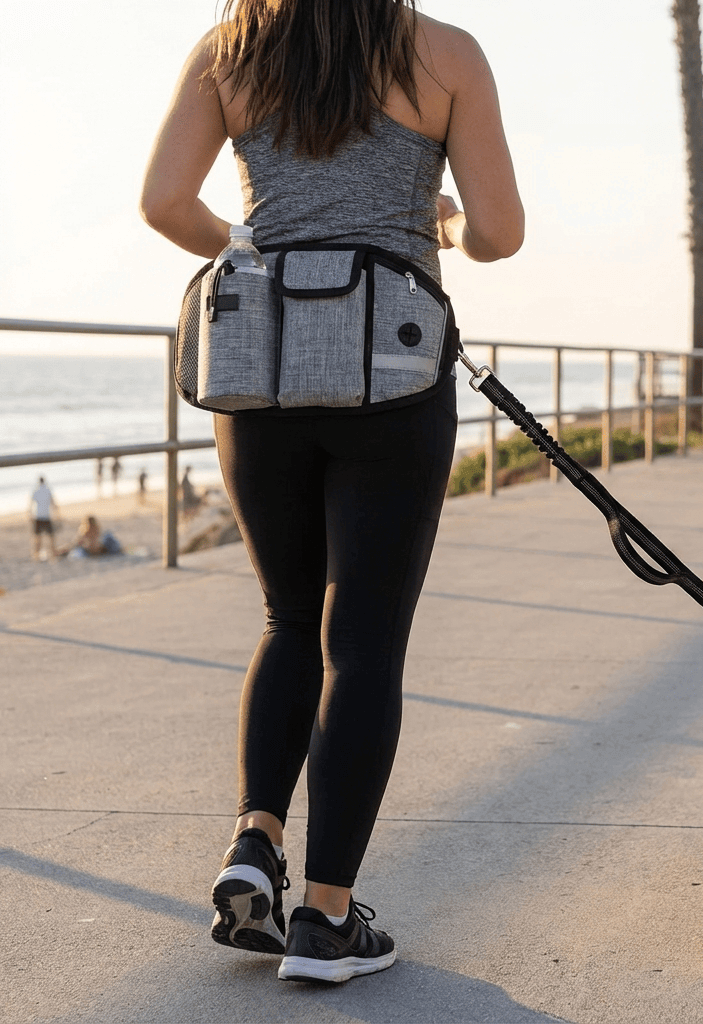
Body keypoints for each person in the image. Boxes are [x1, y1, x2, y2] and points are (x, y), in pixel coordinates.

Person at [141, 0, 523, 985]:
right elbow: (501, 231)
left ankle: (255, 840)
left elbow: (163, 204)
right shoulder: (443, 54)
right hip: (392, 376)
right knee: (361, 644)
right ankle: (323, 920)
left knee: (284, 617)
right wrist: (444, 227)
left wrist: (264, 246)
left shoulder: (231, 50)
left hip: (256, 373)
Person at [28, 476, 59, 561]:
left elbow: (30, 504)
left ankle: (36, 556)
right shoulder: (48, 490)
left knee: (37, 537)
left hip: (38, 516)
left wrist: (30, 515)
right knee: (51, 537)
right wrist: (57, 515)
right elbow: (53, 503)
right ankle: (53, 555)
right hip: (46, 516)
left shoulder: (36, 490)